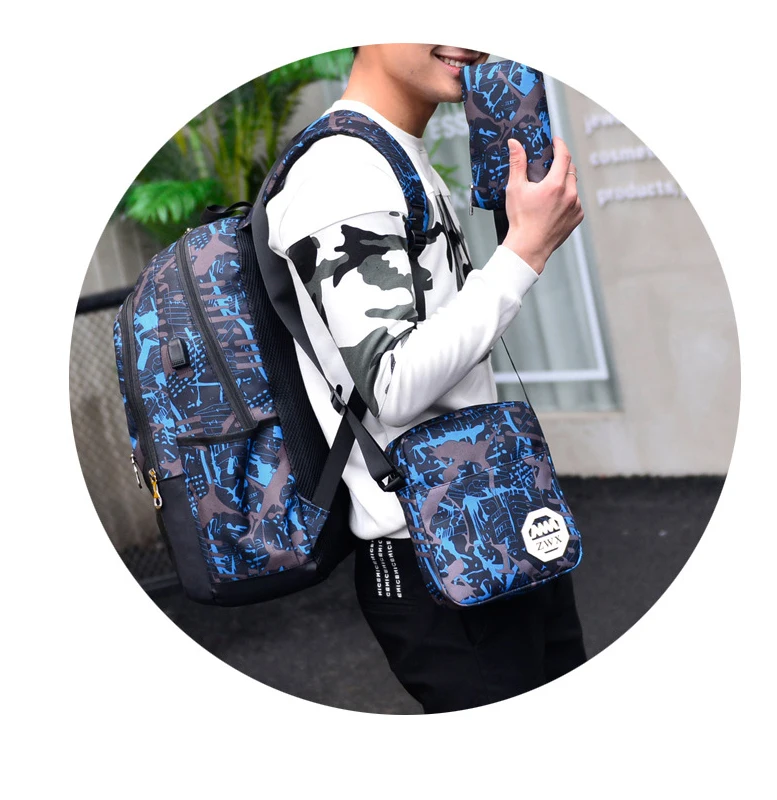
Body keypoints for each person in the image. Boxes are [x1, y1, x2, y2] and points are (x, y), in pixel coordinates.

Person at [266, 43, 586, 713]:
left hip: (490, 518)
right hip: (435, 553)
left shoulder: (394, 153)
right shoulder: (341, 171)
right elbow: (392, 382)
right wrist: (522, 253)